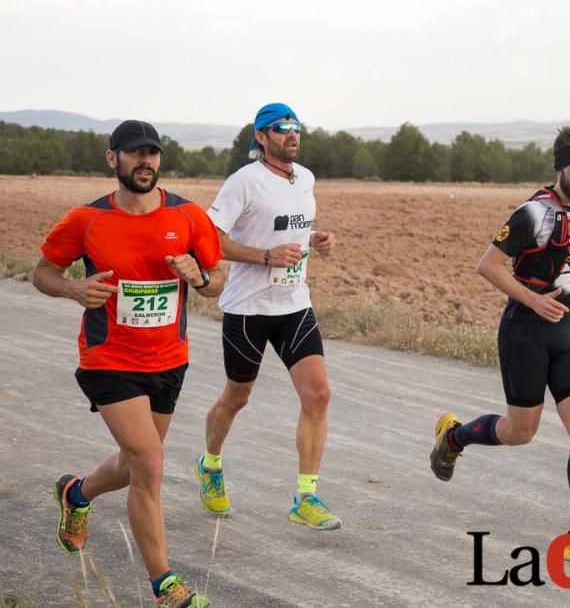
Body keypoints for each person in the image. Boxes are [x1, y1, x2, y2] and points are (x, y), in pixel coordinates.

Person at [33, 120, 225, 608]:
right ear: (111, 158)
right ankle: (166, 586)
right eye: (134, 154)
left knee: (132, 466)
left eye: (152, 154)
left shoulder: (188, 216)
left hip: (168, 360)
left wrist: (199, 278)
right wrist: (73, 289)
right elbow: (43, 273)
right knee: (151, 464)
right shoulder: (86, 220)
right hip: (108, 359)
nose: (145, 162)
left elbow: (218, 279)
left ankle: (76, 493)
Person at [430, 126, 570, 565]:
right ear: (560, 168)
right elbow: (488, 265)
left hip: (567, 331)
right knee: (520, 433)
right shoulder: (531, 214)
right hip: (525, 332)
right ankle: (454, 437)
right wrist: (533, 299)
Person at [195, 102, 340, 531]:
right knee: (236, 398)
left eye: (296, 127)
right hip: (247, 309)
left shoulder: (305, 177)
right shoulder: (244, 182)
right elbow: (209, 242)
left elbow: (289, 229)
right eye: (281, 128)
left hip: (294, 303)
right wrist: (265, 256)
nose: (292, 134)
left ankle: (306, 496)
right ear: (261, 137)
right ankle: (210, 463)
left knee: (318, 395)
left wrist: (315, 239)